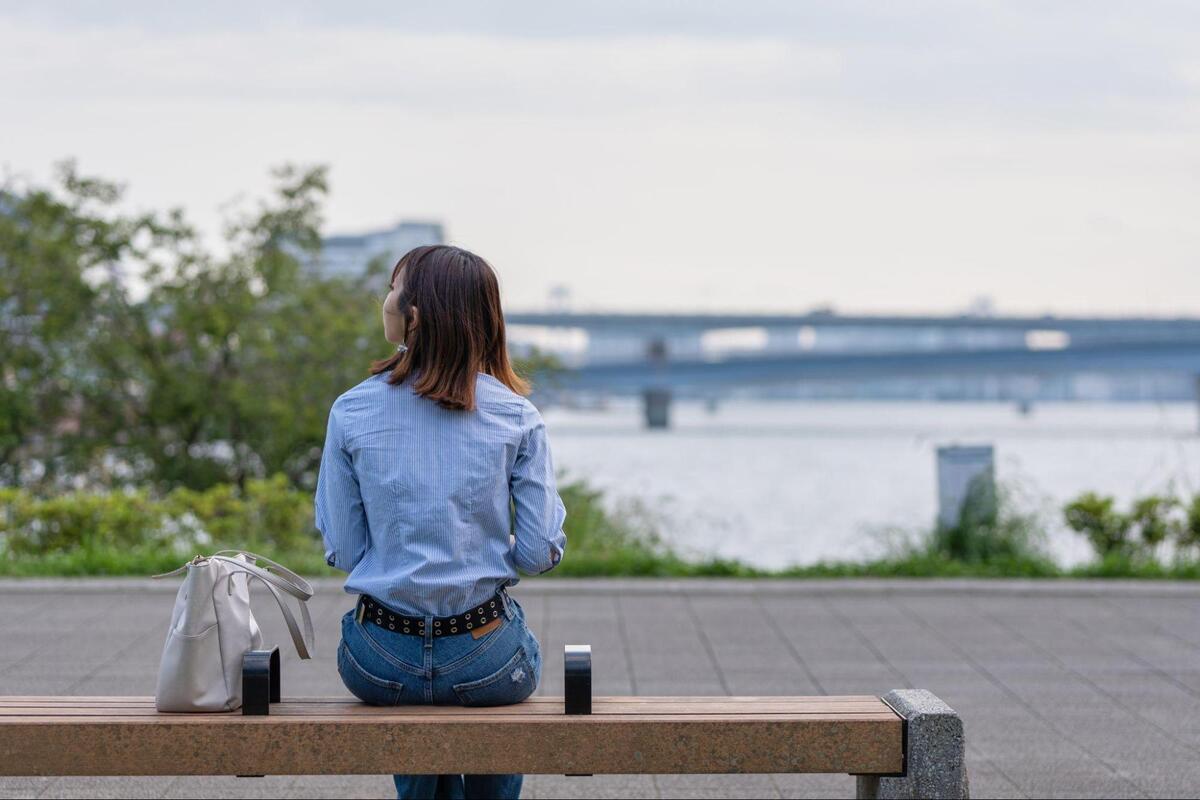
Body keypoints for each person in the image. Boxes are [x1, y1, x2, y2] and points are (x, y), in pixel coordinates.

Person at [315, 245, 567, 800]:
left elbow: (347, 550)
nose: (386, 299)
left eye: (392, 287)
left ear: (414, 314)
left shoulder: (351, 410)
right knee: (496, 666)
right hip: (485, 654)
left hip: (380, 658)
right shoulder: (517, 416)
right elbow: (537, 552)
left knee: (413, 700)